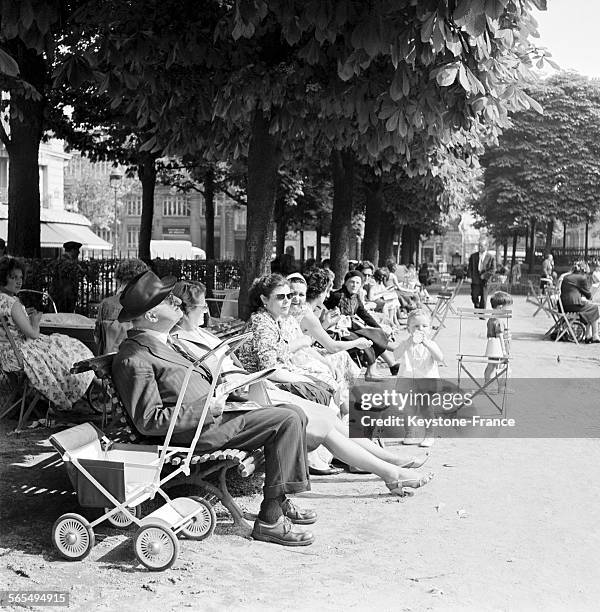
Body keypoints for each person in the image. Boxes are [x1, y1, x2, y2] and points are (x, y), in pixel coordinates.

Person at [170, 279, 433, 494]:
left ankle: (391, 465)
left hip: (253, 386)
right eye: (202, 307)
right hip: (241, 395)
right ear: (184, 310)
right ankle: (391, 471)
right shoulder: (182, 339)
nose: (206, 311)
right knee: (321, 423)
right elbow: (209, 379)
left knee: (328, 417)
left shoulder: (200, 333)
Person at [111, 270, 315, 547]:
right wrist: (210, 409)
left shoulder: (161, 342)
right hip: (196, 432)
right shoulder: (134, 357)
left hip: (212, 418)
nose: (176, 302)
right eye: (166, 299)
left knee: (295, 413)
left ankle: (278, 501)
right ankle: (270, 519)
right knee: (288, 419)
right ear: (150, 316)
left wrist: (227, 390)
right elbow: (149, 421)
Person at [0, 256, 94, 410]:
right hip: (20, 353)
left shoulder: (4, 300)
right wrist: (35, 320)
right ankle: (86, 384)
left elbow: (9, 324)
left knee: (61, 344)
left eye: (20, 277)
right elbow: (33, 334)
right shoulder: (12, 303)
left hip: (5, 353)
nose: (19, 281)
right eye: (13, 277)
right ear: (3, 277)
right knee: (68, 347)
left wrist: (24, 314)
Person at [324, 270, 399, 379]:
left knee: (376, 333)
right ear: (345, 283)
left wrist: (378, 326)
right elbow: (325, 309)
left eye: (358, 283)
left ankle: (372, 370)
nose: (354, 285)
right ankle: (372, 370)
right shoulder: (337, 296)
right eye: (352, 282)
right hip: (339, 331)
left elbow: (364, 314)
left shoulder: (355, 297)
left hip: (350, 328)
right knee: (367, 338)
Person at [393, 309, 444, 448]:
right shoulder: (406, 343)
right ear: (409, 329)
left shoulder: (431, 344)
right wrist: (407, 343)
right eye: (416, 326)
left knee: (426, 409)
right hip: (408, 380)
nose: (420, 329)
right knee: (408, 409)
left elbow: (440, 358)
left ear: (430, 329)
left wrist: (427, 344)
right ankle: (410, 433)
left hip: (427, 381)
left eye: (424, 326)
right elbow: (395, 355)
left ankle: (429, 434)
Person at [95, 258, 149, 354]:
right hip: (137, 356)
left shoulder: (106, 303)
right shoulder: (147, 303)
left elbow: (98, 338)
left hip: (108, 358)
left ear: (119, 278)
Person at [560, 262, 600, 343]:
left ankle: (588, 336)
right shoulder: (581, 278)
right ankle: (595, 335)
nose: (587, 276)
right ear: (584, 271)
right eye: (587, 274)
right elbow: (588, 295)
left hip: (564, 305)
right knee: (594, 308)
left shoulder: (567, 277)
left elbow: (573, 292)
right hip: (572, 305)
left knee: (588, 310)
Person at [484, 291, 513, 391]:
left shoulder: (491, 318)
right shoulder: (499, 321)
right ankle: (502, 387)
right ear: (501, 307)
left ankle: (487, 385)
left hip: (491, 347)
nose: (509, 310)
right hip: (498, 348)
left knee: (491, 366)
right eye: (507, 308)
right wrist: (504, 351)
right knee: (505, 367)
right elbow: (500, 336)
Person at [53, 241, 82, 313]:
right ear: (72, 250)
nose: (79, 253)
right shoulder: (67, 263)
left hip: (64, 295)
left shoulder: (61, 260)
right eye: (77, 250)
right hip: (65, 297)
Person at [467, 238, 495, 308]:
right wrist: (469, 277)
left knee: (484, 297)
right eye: (479, 246)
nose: (479, 247)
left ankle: (482, 314)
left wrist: (485, 275)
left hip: (485, 280)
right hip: (475, 279)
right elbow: (470, 267)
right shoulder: (473, 256)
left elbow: (493, 269)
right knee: (474, 295)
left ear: (486, 246)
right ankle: (476, 304)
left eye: (481, 246)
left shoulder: (491, 257)